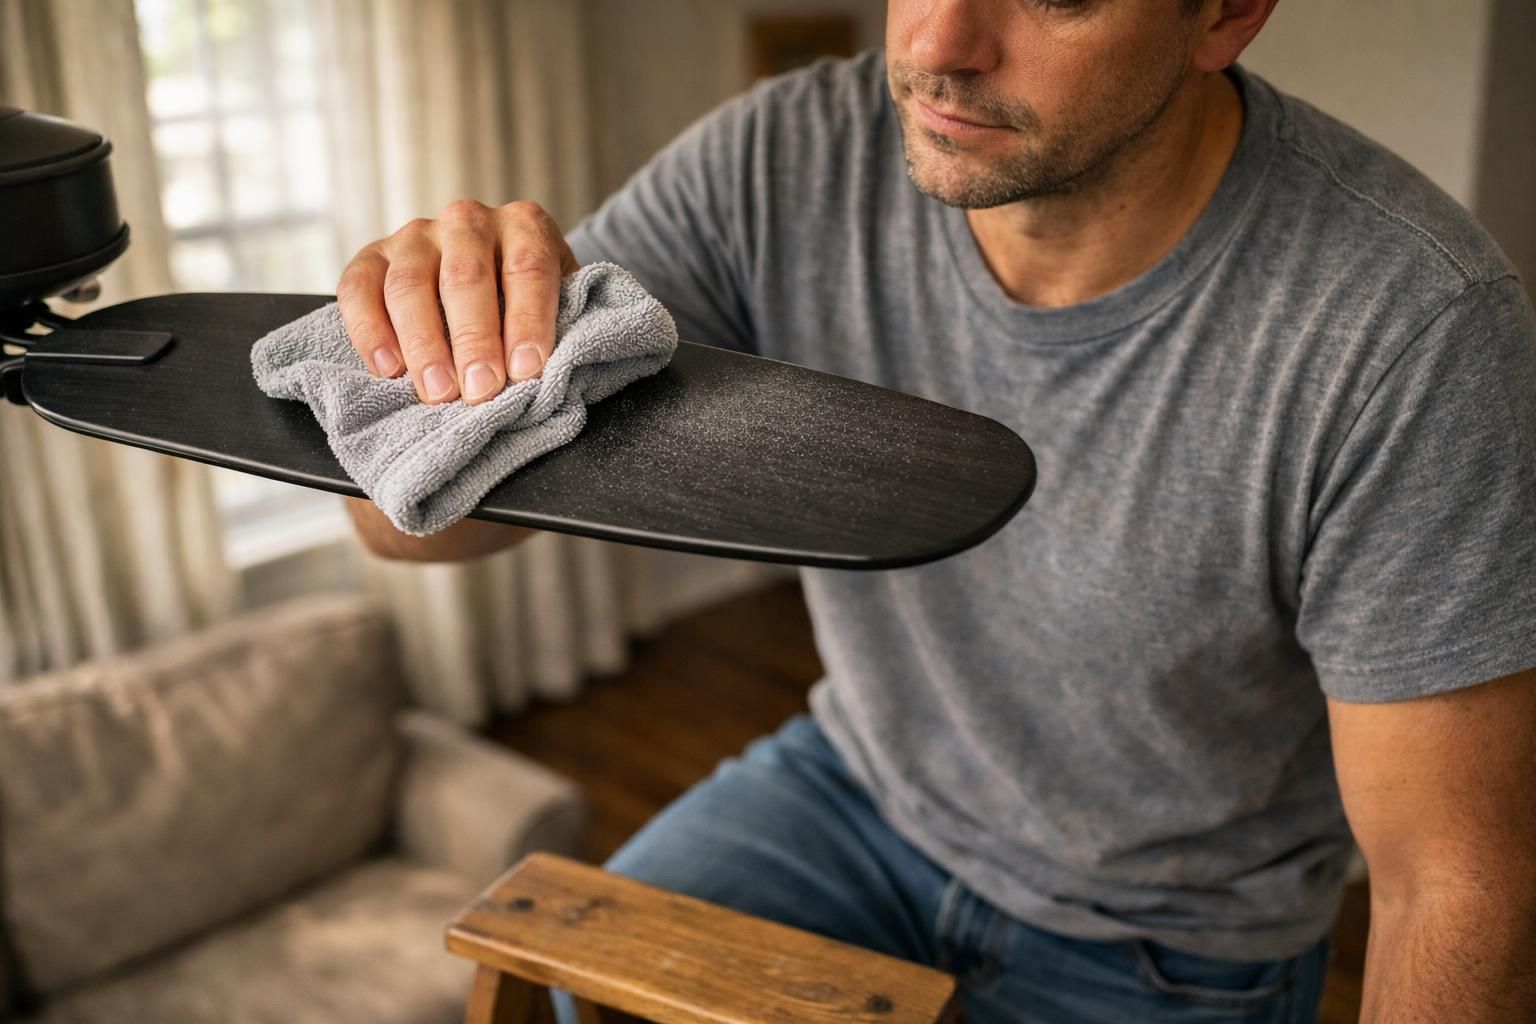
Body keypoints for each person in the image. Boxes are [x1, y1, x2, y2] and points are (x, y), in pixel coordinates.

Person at [340, 1, 1536, 1020]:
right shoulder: (785, 155)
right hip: (854, 794)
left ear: (1224, 14)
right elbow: (410, 527)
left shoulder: (1415, 327)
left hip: (1173, 937)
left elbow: (1453, 875)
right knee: (571, 1003)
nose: (942, 42)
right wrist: (435, 364)